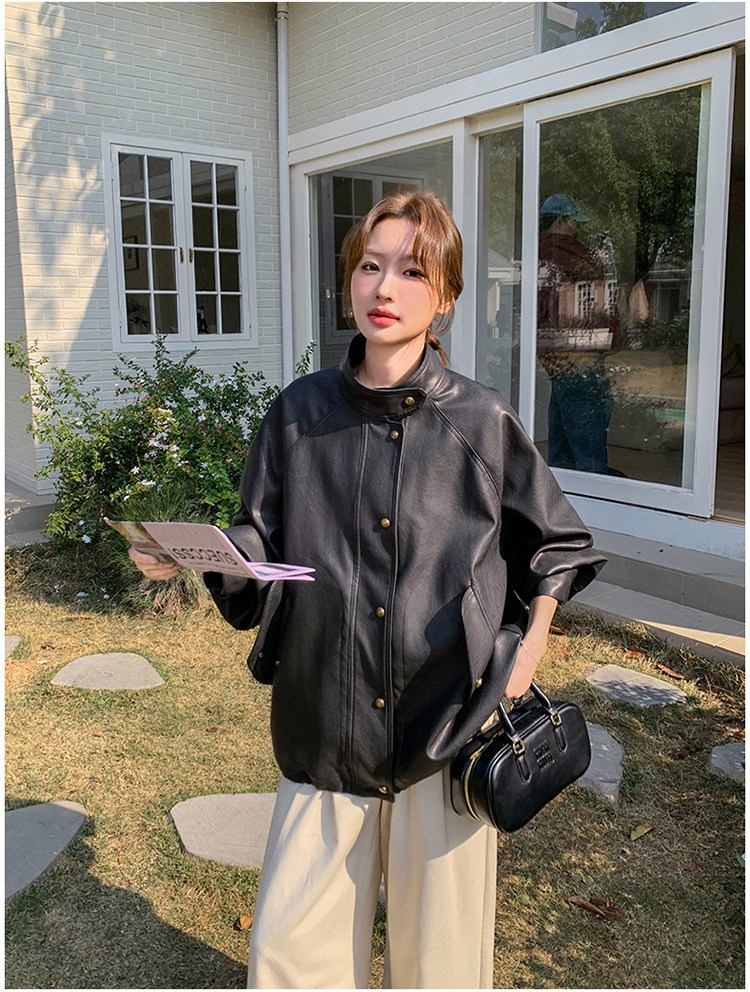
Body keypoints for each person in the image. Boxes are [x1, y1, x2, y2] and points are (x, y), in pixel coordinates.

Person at [130, 192, 605, 989]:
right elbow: (262, 541)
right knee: (290, 954)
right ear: (349, 280)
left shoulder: (481, 422)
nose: (385, 288)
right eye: (370, 266)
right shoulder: (297, 415)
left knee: (440, 966)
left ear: (445, 295)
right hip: (326, 718)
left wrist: (529, 650)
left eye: (412, 272)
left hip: (448, 726)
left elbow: (556, 544)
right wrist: (197, 555)